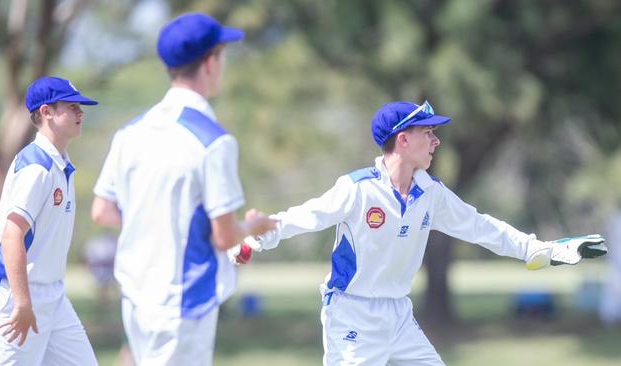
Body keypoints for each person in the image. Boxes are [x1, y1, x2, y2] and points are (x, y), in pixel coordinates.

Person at [246, 100, 608, 366]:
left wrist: (538, 250)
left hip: (399, 316)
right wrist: (256, 237)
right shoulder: (357, 189)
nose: (436, 142)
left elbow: (480, 226)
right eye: (428, 133)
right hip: (351, 315)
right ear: (402, 140)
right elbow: (303, 217)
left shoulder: (429, 192)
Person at [91, 12, 276, 366]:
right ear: (210, 62)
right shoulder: (213, 140)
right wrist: (257, 226)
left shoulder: (130, 133)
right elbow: (224, 237)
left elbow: (102, 210)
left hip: (135, 295)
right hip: (184, 301)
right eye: (222, 55)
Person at [0, 76, 99, 365]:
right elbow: (12, 235)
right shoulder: (37, 167)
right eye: (72, 106)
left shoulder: (61, 164)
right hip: (15, 297)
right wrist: (22, 302)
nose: (80, 112)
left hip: (53, 297)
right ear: (46, 112)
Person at [600, 210, 621, 326]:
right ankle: (611, 317)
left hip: (615, 260)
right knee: (613, 290)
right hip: (616, 262)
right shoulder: (616, 219)